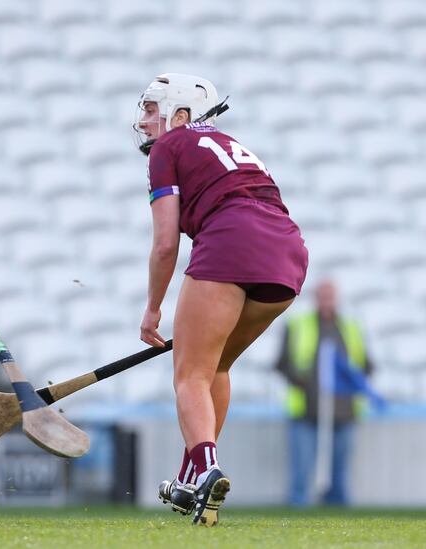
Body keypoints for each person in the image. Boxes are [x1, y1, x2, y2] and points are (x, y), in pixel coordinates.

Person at [134, 73, 308, 526]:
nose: (145, 121)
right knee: (216, 367)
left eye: (154, 110)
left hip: (232, 243)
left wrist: (153, 307)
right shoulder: (234, 144)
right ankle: (192, 478)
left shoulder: (168, 150)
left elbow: (165, 243)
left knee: (189, 375)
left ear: (182, 115)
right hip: (287, 254)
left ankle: (207, 468)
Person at [276, 278, 375, 506]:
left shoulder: (351, 327)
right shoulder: (298, 324)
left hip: (344, 411)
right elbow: (283, 363)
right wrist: (304, 381)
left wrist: (352, 380)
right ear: (315, 298)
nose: (327, 301)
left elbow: (366, 365)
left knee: (340, 472)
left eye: (330, 296)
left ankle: (338, 515)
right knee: (301, 471)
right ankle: (296, 514)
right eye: (323, 296)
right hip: (306, 410)